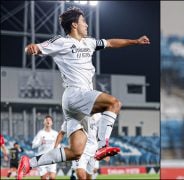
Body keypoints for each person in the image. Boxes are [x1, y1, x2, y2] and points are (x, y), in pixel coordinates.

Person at [18, 7, 150, 179]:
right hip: (76, 93)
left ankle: (30, 163)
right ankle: (103, 146)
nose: (86, 25)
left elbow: (110, 43)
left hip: (75, 104)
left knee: (75, 152)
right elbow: (34, 48)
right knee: (114, 103)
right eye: (83, 21)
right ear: (74, 25)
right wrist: (32, 48)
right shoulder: (61, 42)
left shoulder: (89, 42)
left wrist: (135, 42)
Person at [54, 113, 101, 180]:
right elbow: (62, 133)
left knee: (90, 175)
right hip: (79, 150)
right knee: (81, 175)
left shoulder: (98, 115)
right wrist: (55, 148)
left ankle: (74, 174)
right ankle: (75, 172)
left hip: (93, 150)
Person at [32, 115, 58, 180]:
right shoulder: (40, 133)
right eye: (46, 120)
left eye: (49, 120)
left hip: (52, 157)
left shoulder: (55, 133)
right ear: (44, 122)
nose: (48, 121)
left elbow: (58, 145)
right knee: (43, 178)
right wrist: (40, 142)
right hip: (42, 157)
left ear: (52, 123)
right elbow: (33, 145)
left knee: (52, 177)